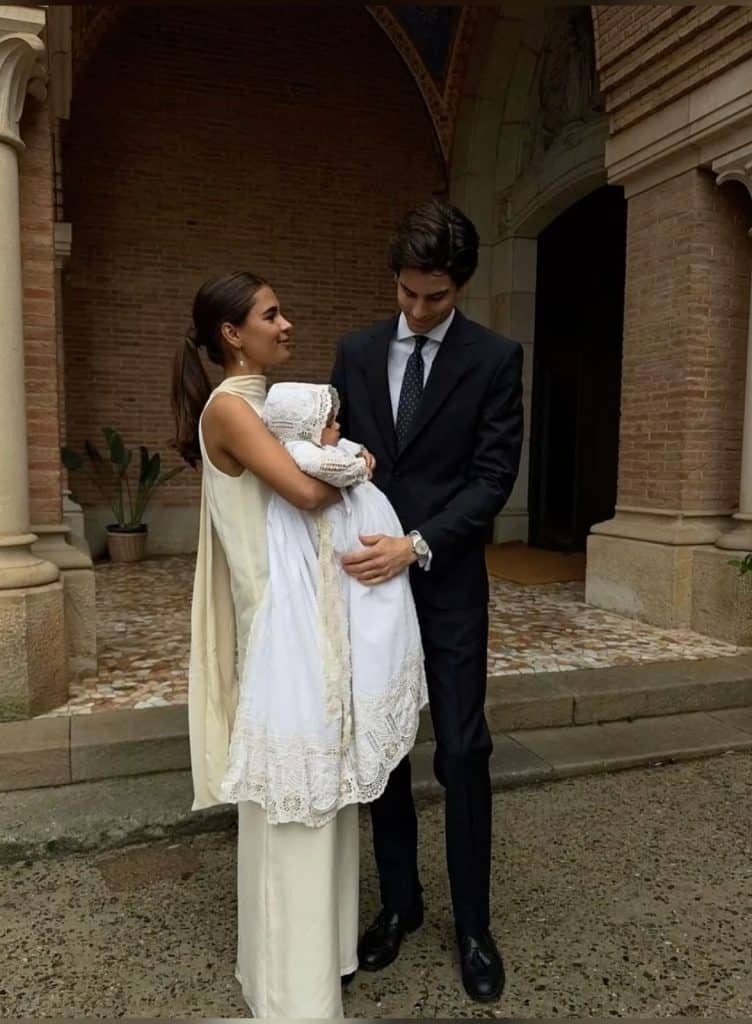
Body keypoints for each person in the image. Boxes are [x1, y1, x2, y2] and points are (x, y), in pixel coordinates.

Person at [330, 200, 524, 1002]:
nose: (416, 310)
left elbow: (492, 479)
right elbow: (336, 454)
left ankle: (473, 926)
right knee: (383, 753)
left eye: (434, 297)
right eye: (407, 293)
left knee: (461, 750)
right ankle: (400, 905)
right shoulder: (357, 350)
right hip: (369, 584)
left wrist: (418, 542)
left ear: (460, 287)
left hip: (445, 584)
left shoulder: (495, 358)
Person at [172, 272, 357, 1019]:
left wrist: (322, 449)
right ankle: (292, 996)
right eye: (271, 315)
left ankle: (319, 962)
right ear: (231, 334)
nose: (287, 325)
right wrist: (339, 458)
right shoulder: (230, 408)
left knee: (319, 791)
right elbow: (308, 494)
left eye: (283, 311)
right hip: (277, 621)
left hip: (303, 609)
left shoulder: (263, 405)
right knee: (293, 802)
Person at [220, 380, 428, 827]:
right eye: (329, 421)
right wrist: (358, 462)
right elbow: (331, 469)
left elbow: (339, 451)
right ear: (307, 427)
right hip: (351, 570)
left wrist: (354, 449)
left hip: (375, 568)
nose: (338, 427)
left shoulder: (320, 445)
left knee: (380, 634)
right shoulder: (299, 454)